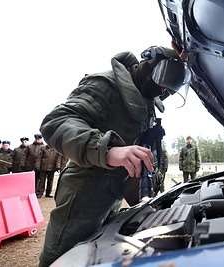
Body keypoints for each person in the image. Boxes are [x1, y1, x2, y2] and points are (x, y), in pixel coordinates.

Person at [38, 45, 189, 267]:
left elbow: (145, 92)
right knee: (62, 257)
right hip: (83, 195)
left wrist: (178, 59)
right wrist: (108, 150)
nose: (163, 92)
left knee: (94, 257)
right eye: (162, 84)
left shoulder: (146, 91)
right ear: (149, 68)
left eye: (168, 88)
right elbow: (57, 122)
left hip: (112, 191)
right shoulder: (105, 86)